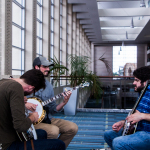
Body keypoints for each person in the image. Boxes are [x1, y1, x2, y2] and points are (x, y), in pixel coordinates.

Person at [0, 69, 65, 150]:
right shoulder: (16, 87)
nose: (31, 94)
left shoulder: (3, 82)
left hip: (6, 134)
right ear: (31, 88)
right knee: (59, 144)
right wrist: (32, 117)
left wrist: (21, 101)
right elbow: (20, 126)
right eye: (33, 92)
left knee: (42, 133)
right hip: (7, 145)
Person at [25, 56, 78, 148]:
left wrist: (64, 102)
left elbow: (53, 109)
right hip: (32, 121)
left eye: (48, 67)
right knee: (54, 131)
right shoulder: (26, 82)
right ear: (37, 67)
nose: (48, 69)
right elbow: (13, 99)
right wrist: (25, 103)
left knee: (72, 128)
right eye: (45, 67)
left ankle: (57, 147)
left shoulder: (48, 85)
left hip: (47, 118)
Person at [104, 66, 150, 150]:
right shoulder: (142, 92)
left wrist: (142, 116)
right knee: (108, 135)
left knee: (118, 143)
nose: (133, 83)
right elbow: (136, 115)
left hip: (147, 133)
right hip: (138, 129)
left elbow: (140, 115)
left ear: (146, 82)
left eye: (136, 80)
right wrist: (124, 122)